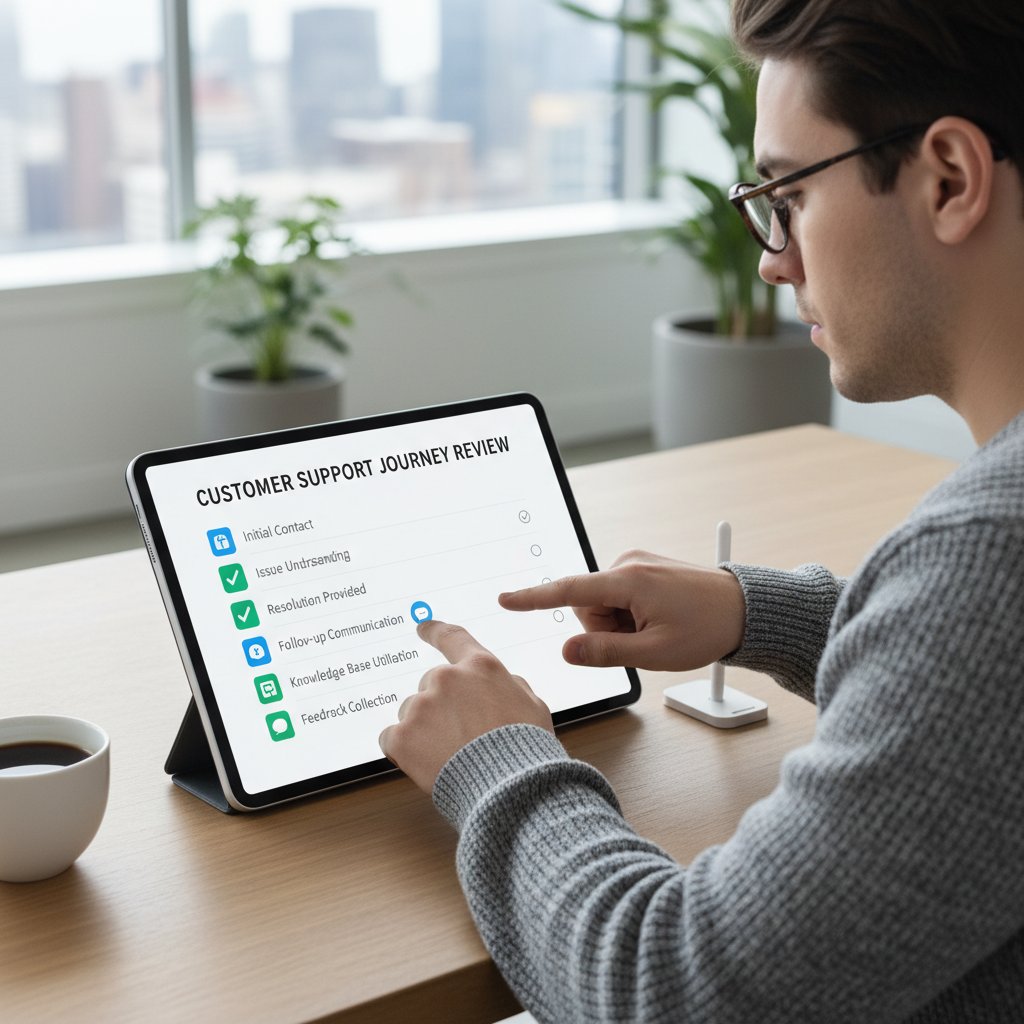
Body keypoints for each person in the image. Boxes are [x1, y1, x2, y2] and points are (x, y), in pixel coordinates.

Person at [378, 1, 1024, 1019]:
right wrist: (762, 613)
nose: (771, 258)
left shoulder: (992, 559)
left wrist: (493, 762)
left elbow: (668, 990)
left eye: (787, 196)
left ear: (948, 178)